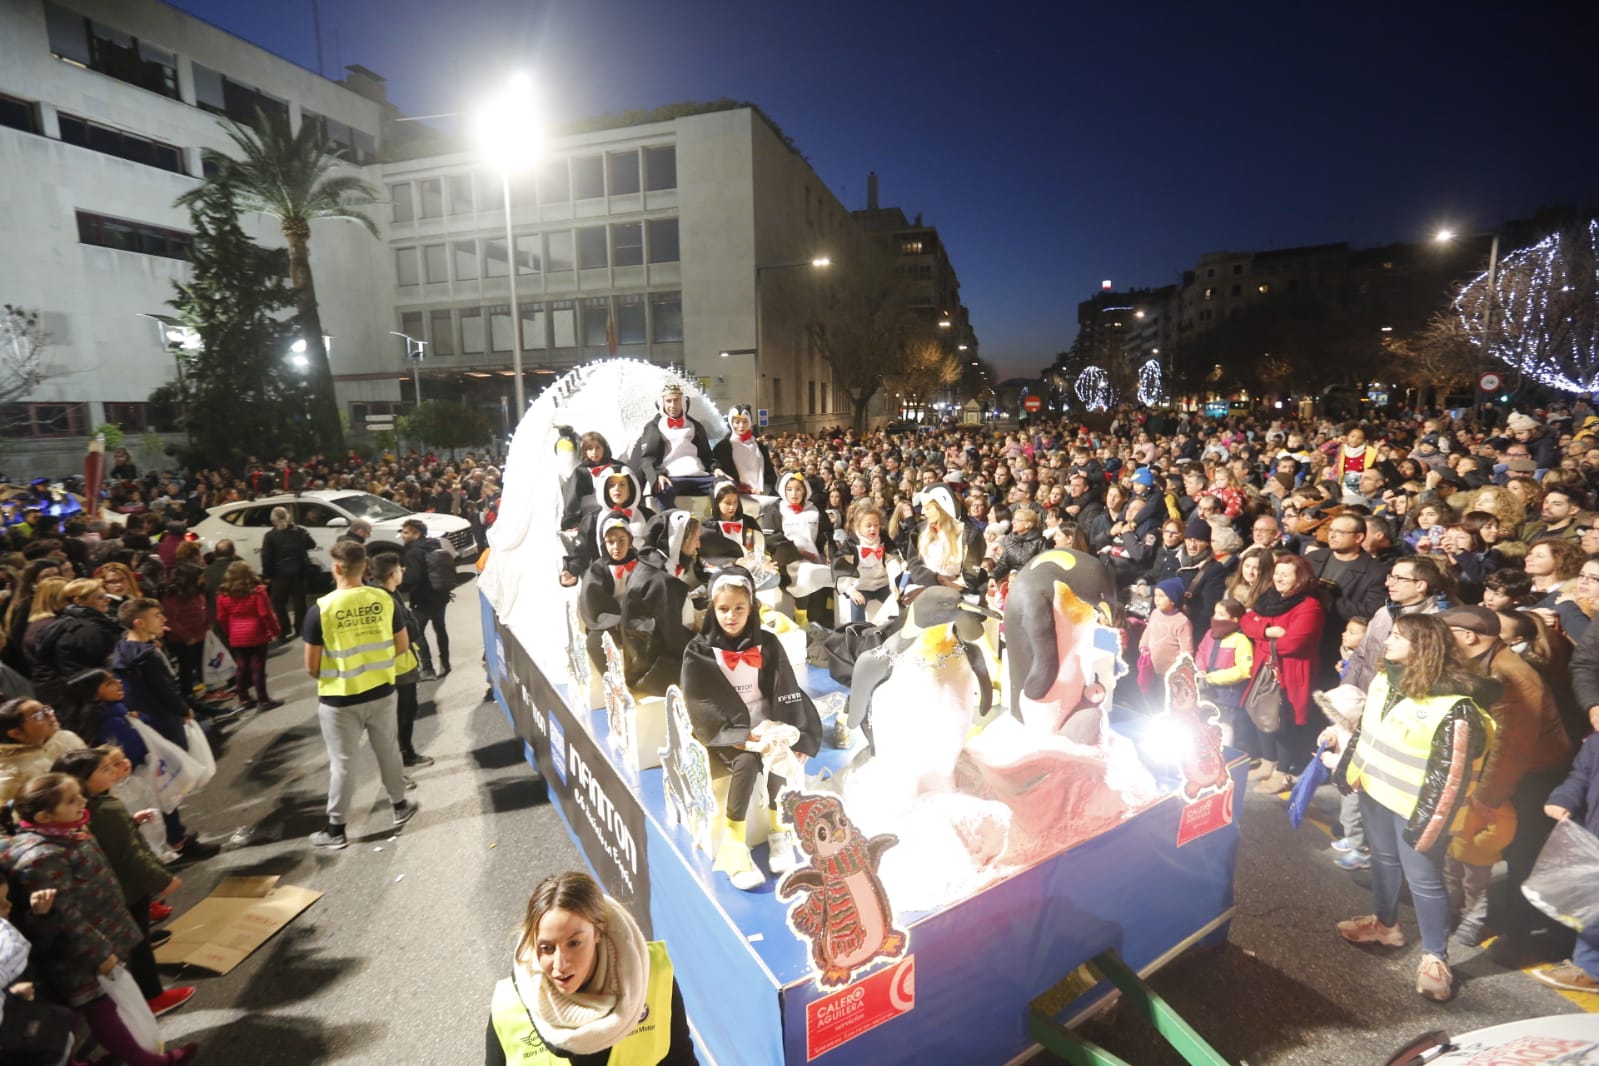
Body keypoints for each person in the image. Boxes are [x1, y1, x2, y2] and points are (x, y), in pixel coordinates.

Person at [1327, 613, 1494, 1003]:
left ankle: (1435, 958)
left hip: (1415, 809)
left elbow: (1449, 777)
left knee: (1424, 880)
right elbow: (1368, 730)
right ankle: (1385, 926)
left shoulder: (1456, 705)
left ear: (1422, 647)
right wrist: (1349, 771)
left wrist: (1429, 824)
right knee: (1383, 862)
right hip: (1375, 792)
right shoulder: (1387, 679)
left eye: (1397, 637)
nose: (1386, 642)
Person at [0, 774, 199, 1065]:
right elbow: (66, 917)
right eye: (71, 800)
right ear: (44, 816)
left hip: (99, 937)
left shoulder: (67, 832)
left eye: (79, 794)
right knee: (100, 1008)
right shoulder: (43, 858)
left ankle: (124, 1054)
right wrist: (99, 953)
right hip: (78, 954)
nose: (82, 801)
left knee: (106, 1005)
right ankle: (150, 1062)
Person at [1440, 604, 1574, 954]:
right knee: (1474, 849)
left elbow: (1510, 748)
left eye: (1445, 635)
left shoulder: (1511, 676)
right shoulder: (1478, 661)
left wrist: (1487, 798)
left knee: (1521, 854)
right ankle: (1475, 912)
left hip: (1532, 775)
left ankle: (1520, 932)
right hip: (1502, 770)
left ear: (1469, 637)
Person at [680, 568, 821, 891]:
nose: (731, 616)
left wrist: (790, 729)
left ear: (751, 607)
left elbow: (786, 686)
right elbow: (700, 702)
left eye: (739, 608)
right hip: (728, 727)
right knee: (746, 762)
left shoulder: (768, 643)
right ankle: (733, 842)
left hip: (766, 722)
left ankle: (778, 828)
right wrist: (739, 736)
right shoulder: (700, 651)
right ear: (713, 610)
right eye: (723, 609)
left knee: (778, 756)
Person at [485, 870, 697, 1065]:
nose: (560, 964)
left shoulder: (652, 978)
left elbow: (681, 1061)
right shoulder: (508, 1009)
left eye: (574, 943)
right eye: (547, 948)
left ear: (598, 931)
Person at [51, 746, 193, 1016]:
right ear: (82, 780)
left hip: (112, 888)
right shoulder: (103, 811)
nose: (115, 771)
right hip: (126, 888)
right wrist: (163, 881)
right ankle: (153, 997)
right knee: (136, 944)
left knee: (134, 936)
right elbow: (131, 857)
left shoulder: (94, 805)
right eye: (105, 769)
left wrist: (130, 822)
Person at [302, 540, 418, 850]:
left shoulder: (321, 609)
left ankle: (336, 830)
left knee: (343, 763)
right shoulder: (383, 599)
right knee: (389, 750)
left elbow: (311, 666)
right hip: (381, 689)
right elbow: (402, 645)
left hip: (340, 699)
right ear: (364, 567)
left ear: (336, 568)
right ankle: (399, 806)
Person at [1240, 553, 1325, 792]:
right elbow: (1246, 621)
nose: (1279, 578)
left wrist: (1260, 638)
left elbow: (1292, 644)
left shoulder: (1310, 606)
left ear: (1301, 578)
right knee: (1262, 713)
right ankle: (1268, 762)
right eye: (1277, 573)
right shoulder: (1269, 598)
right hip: (1264, 667)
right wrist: (1268, 631)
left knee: (1285, 720)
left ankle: (1282, 772)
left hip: (1291, 671)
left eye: (1285, 574)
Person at [1531, 730, 1599, 993]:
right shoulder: (1595, 743)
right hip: (1593, 840)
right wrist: (1562, 799)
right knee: (1590, 907)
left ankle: (1590, 968)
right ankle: (1590, 967)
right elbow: (1580, 776)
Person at [368, 552, 432, 769]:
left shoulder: (383, 595)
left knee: (405, 711)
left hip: (400, 664)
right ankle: (404, 755)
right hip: (398, 666)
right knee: (403, 713)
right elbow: (408, 632)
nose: (402, 573)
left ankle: (404, 752)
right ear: (392, 573)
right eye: (401, 570)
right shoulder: (386, 599)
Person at [632, 382, 722, 509]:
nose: (673, 405)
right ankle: (668, 525)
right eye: (669, 401)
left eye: (676, 400)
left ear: (683, 401)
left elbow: (707, 455)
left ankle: (721, 526)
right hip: (671, 477)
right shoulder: (653, 427)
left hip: (699, 475)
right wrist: (657, 475)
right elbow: (647, 458)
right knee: (663, 490)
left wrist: (715, 468)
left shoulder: (695, 425)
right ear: (662, 403)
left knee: (726, 487)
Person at [577, 512, 641, 675]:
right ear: (603, 543)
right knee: (595, 642)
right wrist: (617, 619)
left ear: (630, 541)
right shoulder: (598, 570)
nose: (616, 547)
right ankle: (613, 680)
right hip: (611, 620)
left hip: (638, 616)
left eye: (621, 541)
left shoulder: (640, 564)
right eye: (611, 542)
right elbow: (594, 600)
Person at [214, 561, 282, 710]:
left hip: (236, 635)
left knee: (241, 667)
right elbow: (265, 614)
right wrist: (275, 630)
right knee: (258, 667)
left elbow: (221, 618)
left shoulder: (223, 595)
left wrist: (228, 632)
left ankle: (244, 698)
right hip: (256, 633)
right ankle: (263, 699)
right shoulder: (257, 592)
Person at [0, 698, 87, 807]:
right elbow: (11, 810)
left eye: (47, 709)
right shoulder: (11, 770)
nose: (49, 715)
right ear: (17, 733)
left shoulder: (66, 737)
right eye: (38, 715)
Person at [1197, 599, 1255, 755]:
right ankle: (1205, 754)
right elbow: (1201, 652)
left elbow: (1244, 669)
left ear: (1234, 619)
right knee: (1204, 720)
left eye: (1221, 614)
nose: (1216, 617)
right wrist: (1200, 669)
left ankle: (1224, 756)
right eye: (1215, 613)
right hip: (1206, 688)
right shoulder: (1210, 634)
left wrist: (1214, 677)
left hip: (1227, 692)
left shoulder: (1241, 640)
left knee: (1224, 724)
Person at [399, 518, 450, 679]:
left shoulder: (413, 552)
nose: (403, 535)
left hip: (423, 598)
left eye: (406, 532)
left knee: (417, 633)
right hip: (440, 595)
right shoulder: (434, 546)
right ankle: (445, 663)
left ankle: (427, 669)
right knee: (440, 629)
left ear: (417, 533)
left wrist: (401, 583)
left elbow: (412, 578)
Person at [832, 503, 899, 625]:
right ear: (858, 527)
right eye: (868, 526)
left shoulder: (884, 541)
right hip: (862, 586)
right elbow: (841, 568)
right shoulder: (851, 545)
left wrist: (895, 582)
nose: (873, 529)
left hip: (882, 585)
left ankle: (897, 630)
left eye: (876, 525)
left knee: (899, 600)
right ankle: (858, 632)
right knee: (857, 603)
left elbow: (892, 561)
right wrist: (851, 590)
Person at [261, 506, 316, 642]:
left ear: (273, 520)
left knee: (278, 602)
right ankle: (300, 627)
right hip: (299, 572)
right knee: (300, 601)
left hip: (279, 574)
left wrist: (267, 575)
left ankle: (284, 629)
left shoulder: (270, 536)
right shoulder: (300, 531)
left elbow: (266, 557)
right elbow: (312, 544)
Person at [1140, 578, 1193, 702]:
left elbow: (1187, 649)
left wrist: (1181, 668)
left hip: (1170, 672)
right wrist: (1143, 646)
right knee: (1148, 694)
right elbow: (1149, 631)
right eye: (1156, 595)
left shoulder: (1182, 622)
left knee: (1166, 698)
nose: (1156, 599)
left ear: (1173, 600)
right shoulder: (1155, 613)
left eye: (1162, 596)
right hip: (1150, 665)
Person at [711, 403, 777, 499]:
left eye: (745, 421)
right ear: (731, 422)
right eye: (737, 422)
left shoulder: (760, 447)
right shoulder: (723, 447)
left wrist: (769, 489)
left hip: (763, 495)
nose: (741, 425)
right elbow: (716, 465)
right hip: (737, 497)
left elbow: (769, 472)